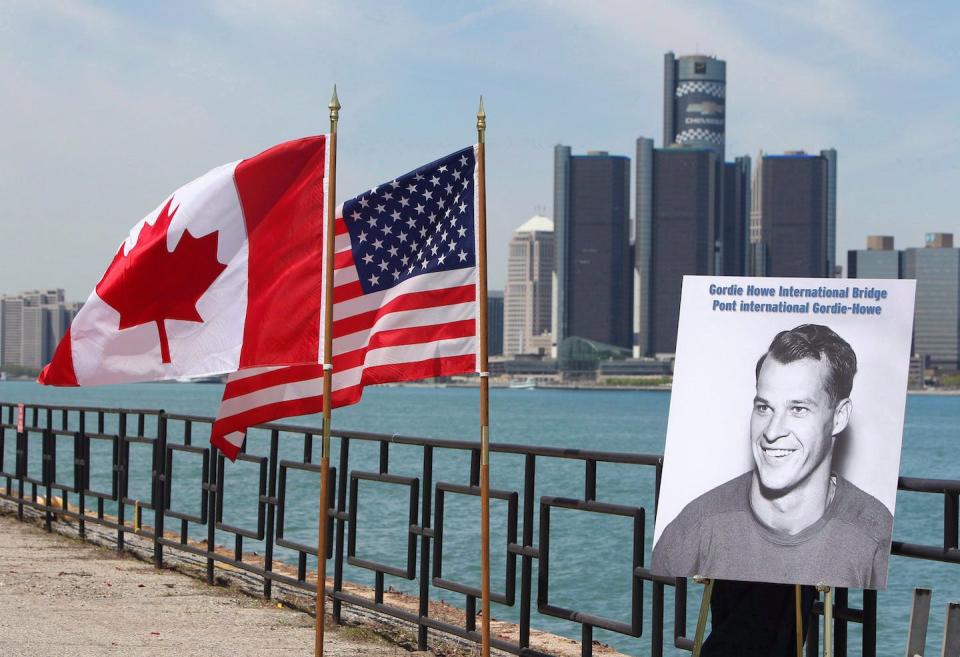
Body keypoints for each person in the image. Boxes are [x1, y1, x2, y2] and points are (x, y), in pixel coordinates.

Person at [652, 324, 893, 589]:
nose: (772, 431)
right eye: (764, 407)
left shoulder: (875, 532)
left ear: (839, 417)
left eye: (798, 409)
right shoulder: (695, 526)